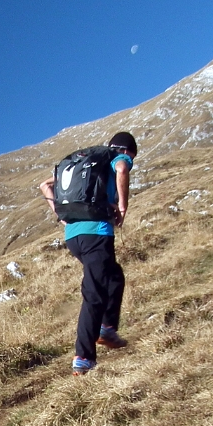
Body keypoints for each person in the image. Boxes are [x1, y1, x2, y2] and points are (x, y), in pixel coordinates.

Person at [39, 131, 136, 375]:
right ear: (127, 150)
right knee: (94, 292)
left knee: (113, 276)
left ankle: (107, 329)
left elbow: (45, 186)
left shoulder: (86, 160)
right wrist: (122, 208)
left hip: (73, 236)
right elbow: (123, 169)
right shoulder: (116, 157)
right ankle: (83, 357)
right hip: (97, 232)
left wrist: (59, 213)